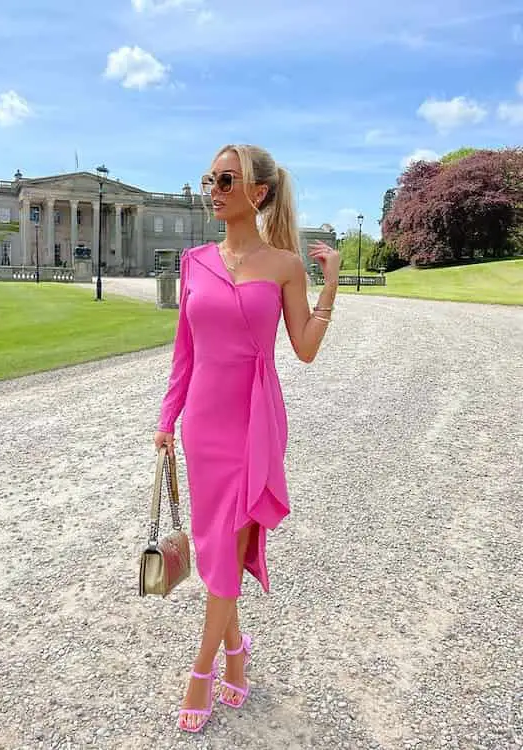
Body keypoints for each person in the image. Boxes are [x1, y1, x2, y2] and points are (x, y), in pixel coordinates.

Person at [153, 143, 340, 733]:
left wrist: (329, 285)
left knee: (228, 551)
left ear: (258, 192)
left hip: (253, 425)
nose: (214, 187)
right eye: (211, 177)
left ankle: (202, 669)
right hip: (201, 426)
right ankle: (238, 651)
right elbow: (184, 353)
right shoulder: (194, 261)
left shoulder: (285, 264)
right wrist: (166, 420)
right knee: (214, 554)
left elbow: (304, 349)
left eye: (226, 179)